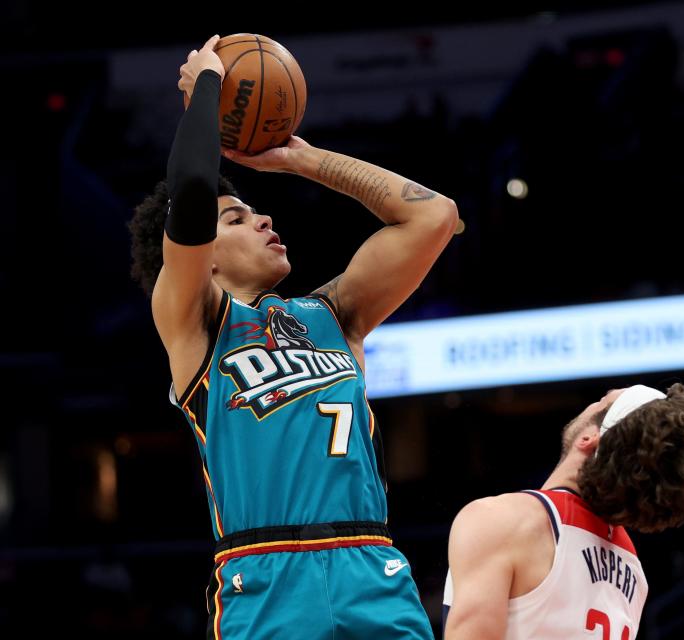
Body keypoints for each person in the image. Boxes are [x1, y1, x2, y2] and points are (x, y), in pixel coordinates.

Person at [128, 35, 457, 639]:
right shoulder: (195, 323)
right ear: (206, 257)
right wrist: (207, 88)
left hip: (372, 567)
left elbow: (435, 216)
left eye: (256, 210)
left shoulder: (334, 314)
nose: (264, 218)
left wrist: (302, 160)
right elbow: (194, 193)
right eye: (237, 218)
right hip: (265, 573)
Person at [442, 383, 684, 639]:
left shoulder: (506, 520)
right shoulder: (633, 570)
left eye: (604, 400)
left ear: (589, 438)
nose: (593, 402)